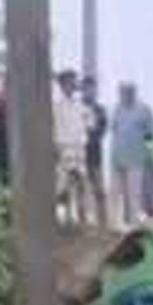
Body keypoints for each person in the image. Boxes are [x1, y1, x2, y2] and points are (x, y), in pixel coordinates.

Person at [108, 82, 153, 227]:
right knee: (114, 192)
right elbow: (114, 130)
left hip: (136, 159)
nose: (125, 94)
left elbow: (151, 135)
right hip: (116, 158)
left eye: (128, 91)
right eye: (122, 92)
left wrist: (150, 153)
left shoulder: (144, 109)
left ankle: (134, 225)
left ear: (134, 92)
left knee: (134, 194)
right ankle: (113, 225)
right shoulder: (116, 109)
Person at [53, 69, 97, 224]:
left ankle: (82, 216)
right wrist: (56, 147)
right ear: (61, 85)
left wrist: (87, 129)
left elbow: (92, 124)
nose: (70, 85)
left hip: (79, 147)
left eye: (72, 82)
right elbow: (53, 128)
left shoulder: (81, 106)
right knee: (62, 184)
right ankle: (63, 216)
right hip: (63, 147)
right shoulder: (56, 105)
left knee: (82, 182)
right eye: (67, 82)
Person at [81, 75, 110, 223]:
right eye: (87, 88)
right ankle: (83, 222)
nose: (89, 91)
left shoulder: (100, 109)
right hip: (79, 154)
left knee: (100, 190)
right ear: (83, 89)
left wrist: (93, 136)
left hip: (95, 154)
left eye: (92, 88)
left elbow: (103, 129)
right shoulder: (76, 106)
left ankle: (103, 223)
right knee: (81, 190)